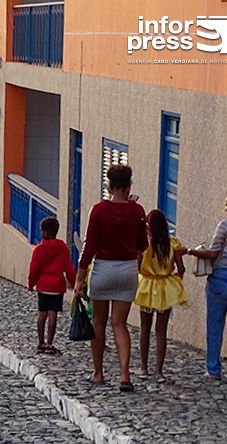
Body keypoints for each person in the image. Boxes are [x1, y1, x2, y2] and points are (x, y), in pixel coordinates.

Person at [73, 165, 148, 393]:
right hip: (127, 270)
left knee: (98, 322)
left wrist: (79, 278)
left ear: (109, 186)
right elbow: (142, 245)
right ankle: (125, 375)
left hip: (103, 270)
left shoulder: (98, 210)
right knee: (120, 324)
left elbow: (89, 247)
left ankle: (98, 372)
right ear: (128, 187)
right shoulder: (138, 211)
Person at [188, 191, 227, 384]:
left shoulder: (225, 226)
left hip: (221, 279)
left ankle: (213, 369)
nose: (225, 209)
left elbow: (213, 254)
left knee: (215, 325)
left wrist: (192, 251)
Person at [134, 209, 189, 383]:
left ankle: (143, 368)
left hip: (147, 286)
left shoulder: (144, 245)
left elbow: (138, 265)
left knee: (144, 327)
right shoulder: (172, 243)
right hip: (166, 287)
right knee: (161, 331)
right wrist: (175, 279)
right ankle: (159, 372)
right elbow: (181, 269)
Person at [28, 217, 76, 355]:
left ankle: (40, 343)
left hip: (43, 286)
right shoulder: (63, 248)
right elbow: (69, 269)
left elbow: (34, 269)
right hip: (56, 286)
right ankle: (50, 343)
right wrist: (75, 285)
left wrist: (31, 284)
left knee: (42, 314)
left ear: (44, 232)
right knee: (53, 314)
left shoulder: (39, 250)